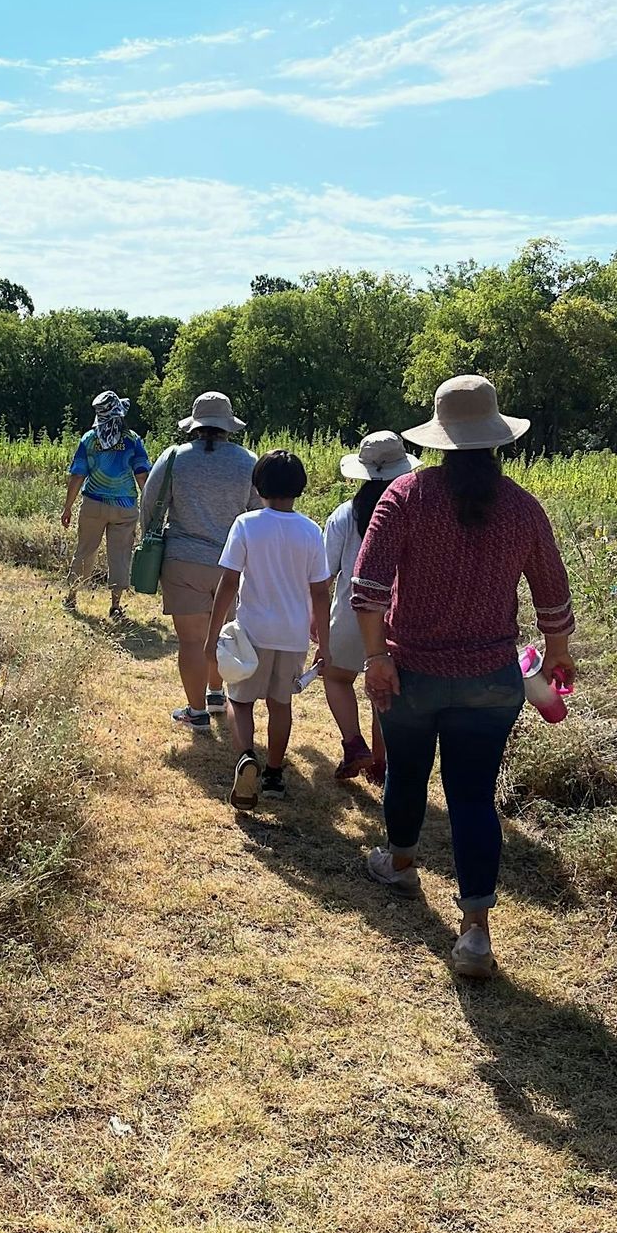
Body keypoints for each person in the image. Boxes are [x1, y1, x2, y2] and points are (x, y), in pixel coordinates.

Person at [351, 375, 577, 980]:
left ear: (439, 439)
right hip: (491, 676)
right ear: (496, 439)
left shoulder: (405, 496)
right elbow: (552, 593)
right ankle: (475, 932)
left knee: (406, 771)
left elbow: (367, 591)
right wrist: (557, 653)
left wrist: (376, 658)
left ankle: (399, 863)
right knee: (473, 797)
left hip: (410, 671)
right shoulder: (522, 507)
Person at [204, 450, 331, 809]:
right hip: (292, 635)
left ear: (258, 484)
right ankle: (274, 773)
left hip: (252, 632)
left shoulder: (246, 524)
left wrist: (213, 635)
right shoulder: (310, 530)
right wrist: (324, 640)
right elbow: (320, 591)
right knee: (280, 705)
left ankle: (247, 758)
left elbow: (229, 581)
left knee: (239, 700)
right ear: (300, 487)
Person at [140, 391, 259, 731]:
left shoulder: (175, 457)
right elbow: (257, 510)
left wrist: (150, 535)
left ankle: (196, 712)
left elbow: (149, 503)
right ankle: (217, 693)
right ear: (226, 426)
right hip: (231, 564)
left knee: (191, 641)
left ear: (195, 425)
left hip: (183, 559)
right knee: (221, 634)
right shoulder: (248, 461)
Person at [319, 432, 422, 780]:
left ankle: (353, 744)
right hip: (397, 617)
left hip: (351, 612)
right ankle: (381, 763)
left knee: (335, 677)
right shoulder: (416, 511)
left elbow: (324, 572)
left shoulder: (345, 515)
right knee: (386, 691)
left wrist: (315, 620)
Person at [62, 391, 151, 622]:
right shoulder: (132, 439)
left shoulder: (89, 439)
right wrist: (151, 507)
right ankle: (115, 605)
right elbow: (142, 475)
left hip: (93, 503)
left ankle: (72, 596)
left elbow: (78, 474)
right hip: (125, 506)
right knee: (120, 555)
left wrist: (68, 506)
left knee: (85, 550)